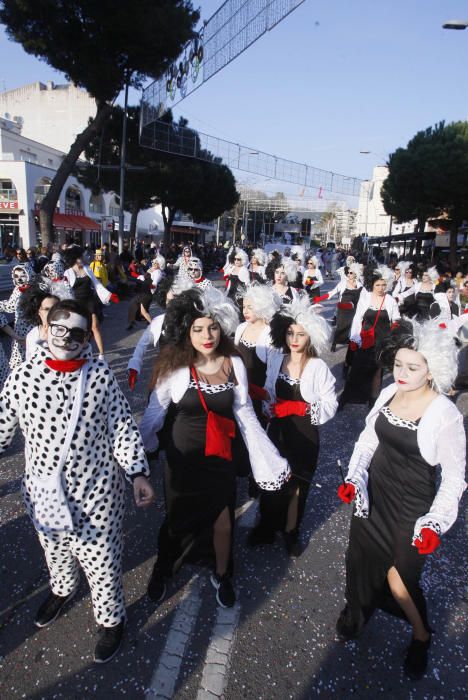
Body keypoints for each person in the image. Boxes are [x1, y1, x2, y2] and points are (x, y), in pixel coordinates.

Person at [0, 299, 155, 664]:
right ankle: (62, 589)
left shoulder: (99, 375)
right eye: (61, 330)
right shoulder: (22, 378)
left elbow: (121, 426)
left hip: (97, 497)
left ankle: (112, 618)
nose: (68, 339)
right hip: (44, 496)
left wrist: (137, 472)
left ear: (87, 336)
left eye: (78, 333)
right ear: (46, 329)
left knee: (103, 563)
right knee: (54, 554)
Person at [139, 288, 291, 608]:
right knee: (177, 520)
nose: (207, 335)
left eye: (212, 327)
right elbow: (154, 413)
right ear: (186, 331)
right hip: (182, 461)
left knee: (223, 521)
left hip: (220, 455)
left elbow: (244, 411)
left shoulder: (233, 362)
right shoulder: (175, 367)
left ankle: (222, 574)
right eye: (197, 329)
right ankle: (164, 568)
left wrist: (268, 459)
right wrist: (138, 456)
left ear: (221, 326)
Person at [336, 320, 466, 680]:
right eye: (399, 365)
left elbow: (455, 477)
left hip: (411, 507)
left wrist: (436, 521)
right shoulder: (387, 393)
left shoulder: (445, 414)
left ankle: (422, 636)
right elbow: (367, 440)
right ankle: (355, 616)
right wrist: (355, 476)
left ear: (432, 369)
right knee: (360, 559)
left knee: (400, 581)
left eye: (414, 367)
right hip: (375, 495)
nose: (403, 373)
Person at [248, 296, 337, 555]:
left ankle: (290, 531)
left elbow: (330, 405)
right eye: (289, 333)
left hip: (304, 434)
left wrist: (299, 408)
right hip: (277, 431)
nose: (294, 339)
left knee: (298, 485)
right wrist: (265, 401)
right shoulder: (277, 359)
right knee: (272, 480)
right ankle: (266, 528)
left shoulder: (319, 367)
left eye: (300, 334)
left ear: (311, 337)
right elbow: (268, 390)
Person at [339, 267, 400, 409]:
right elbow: (357, 318)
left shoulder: (390, 300)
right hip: (365, 340)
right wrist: (354, 339)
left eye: (384, 284)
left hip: (382, 342)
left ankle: (373, 401)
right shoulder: (365, 297)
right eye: (378, 284)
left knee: (377, 373)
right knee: (356, 370)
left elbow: (396, 318)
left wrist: (395, 330)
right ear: (372, 284)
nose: (381, 288)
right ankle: (346, 398)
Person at [127, 273, 193, 391]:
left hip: (191, 375)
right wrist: (134, 367)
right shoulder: (158, 322)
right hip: (164, 372)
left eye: (177, 301)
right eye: (169, 301)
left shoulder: (194, 321)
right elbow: (142, 345)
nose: (172, 305)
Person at [62, 247, 119, 356]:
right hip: (76, 304)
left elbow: (97, 284)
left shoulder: (87, 269)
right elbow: (65, 291)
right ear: (75, 258)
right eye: (82, 256)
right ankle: (77, 352)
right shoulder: (68, 273)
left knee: (95, 326)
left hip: (89, 302)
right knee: (78, 330)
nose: (84, 258)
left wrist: (109, 295)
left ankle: (102, 355)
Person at [0, 263, 36, 367]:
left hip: (33, 328)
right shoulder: (17, 290)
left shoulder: (36, 291)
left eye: (22, 275)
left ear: (28, 274)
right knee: (18, 360)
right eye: (16, 276)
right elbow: (10, 307)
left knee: (33, 357)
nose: (19, 279)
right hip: (19, 328)